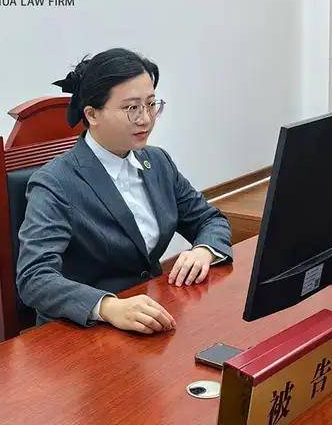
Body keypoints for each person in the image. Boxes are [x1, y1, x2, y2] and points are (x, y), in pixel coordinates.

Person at [16, 48, 232, 334]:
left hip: (151, 314)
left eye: (151, 104)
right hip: (82, 331)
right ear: (92, 114)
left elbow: (209, 220)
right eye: (132, 108)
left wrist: (204, 250)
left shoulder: (157, 162)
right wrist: (108, 306)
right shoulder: (55, 182)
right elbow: (34, 277)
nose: (145, 119)